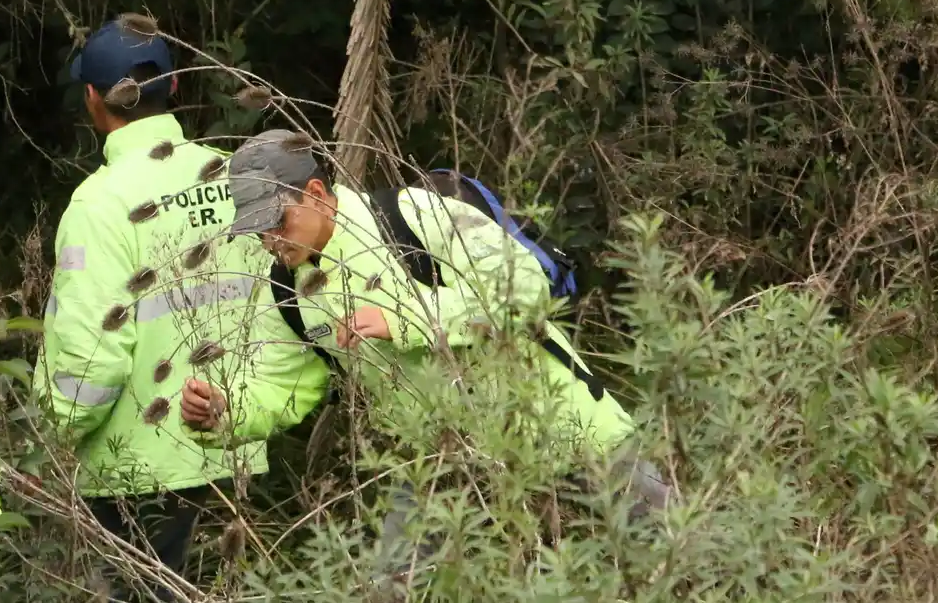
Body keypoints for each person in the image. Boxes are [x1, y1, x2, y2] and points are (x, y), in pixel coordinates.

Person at [207, 129, 662, 578]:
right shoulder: (287, 291)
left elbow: (523, 288)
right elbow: (284, 385)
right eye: (259, 231)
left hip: (561, 423)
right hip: (442, 465)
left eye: (278, 222)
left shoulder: (410, 214)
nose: (271, 241)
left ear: (316, 193)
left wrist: (406, 321)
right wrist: (224, 412)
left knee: (678, 554)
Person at [34, 17, 326, 603]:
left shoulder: (99, 206)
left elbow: (89, 365)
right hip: (229, 449)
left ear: (94, 102)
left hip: (138, 471)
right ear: (173, 86)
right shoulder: (235, 177)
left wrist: (58, 429)